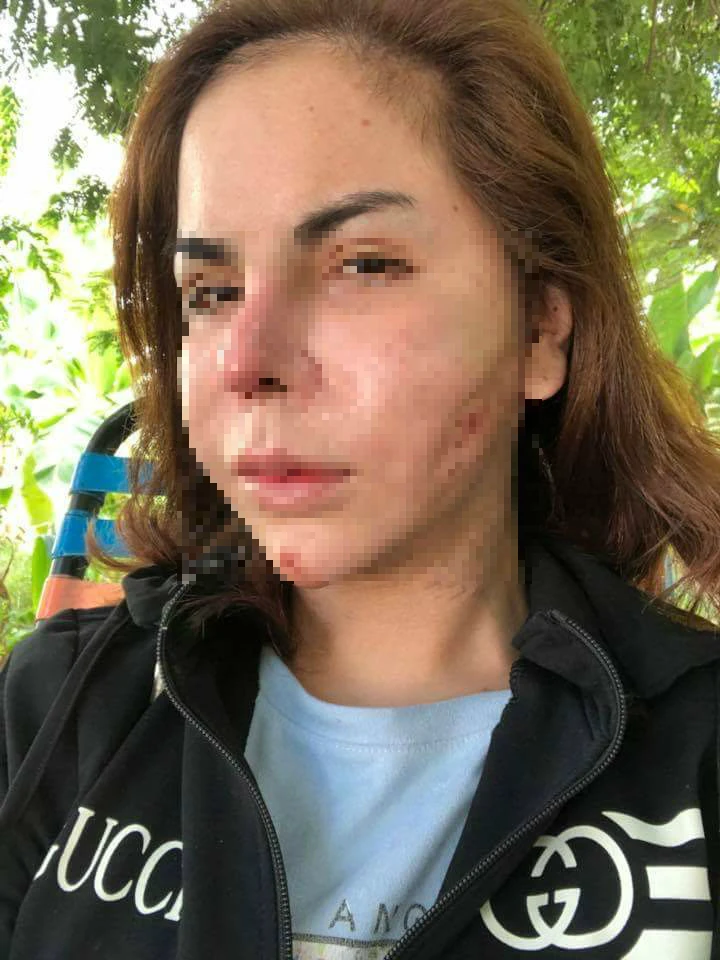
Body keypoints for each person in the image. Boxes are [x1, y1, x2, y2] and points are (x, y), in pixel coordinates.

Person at [1, 0, 719, 956]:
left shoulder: (696, 749)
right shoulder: (62, 706)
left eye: (364, 265)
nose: (246, 362)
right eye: (211, 292)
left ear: (540, 330)